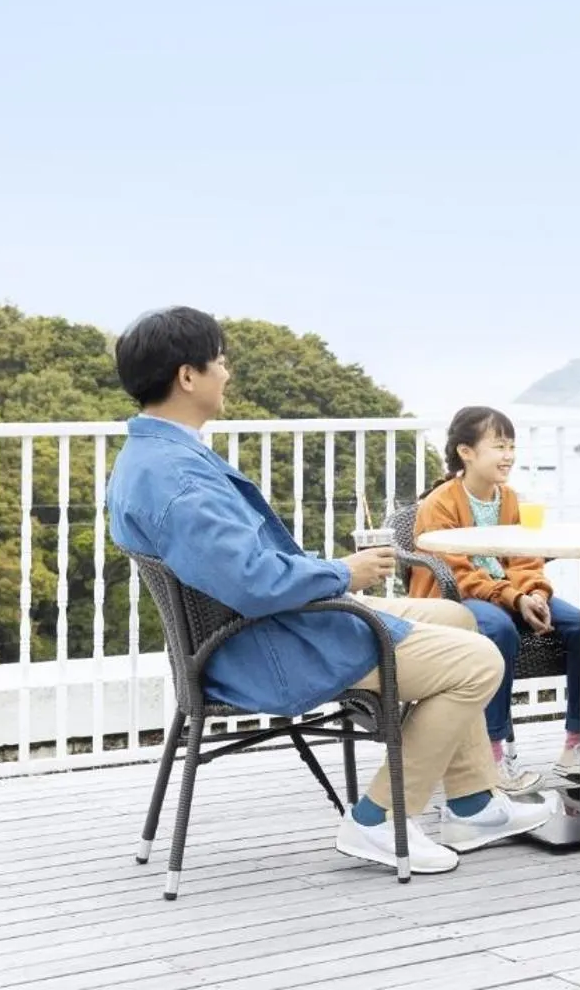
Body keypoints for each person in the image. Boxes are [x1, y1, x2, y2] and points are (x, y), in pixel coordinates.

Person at [105, 308, 547, 875]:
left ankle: (472, 803)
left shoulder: (153, 456)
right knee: (479, 661)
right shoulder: (178, 477)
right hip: (269, 645)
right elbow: (255, 580)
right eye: (220, 361)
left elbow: (243, 570)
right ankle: (379, 819)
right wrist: (342, 574)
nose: (227, 373)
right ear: (187, 377)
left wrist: (332, 573)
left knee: (456, 617)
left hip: (261, 627)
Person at [409, 406, 580, 790]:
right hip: (453, 598)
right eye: (499, 446)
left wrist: (535, 593)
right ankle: (490, 756)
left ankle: (578, 742)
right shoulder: (440, 503)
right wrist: (514, 598)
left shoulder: (511, 500)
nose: (508, 456)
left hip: (510, 592)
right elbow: (455, 573)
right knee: (497, 629)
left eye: (511, 446)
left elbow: (526, 558)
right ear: (466, 452)